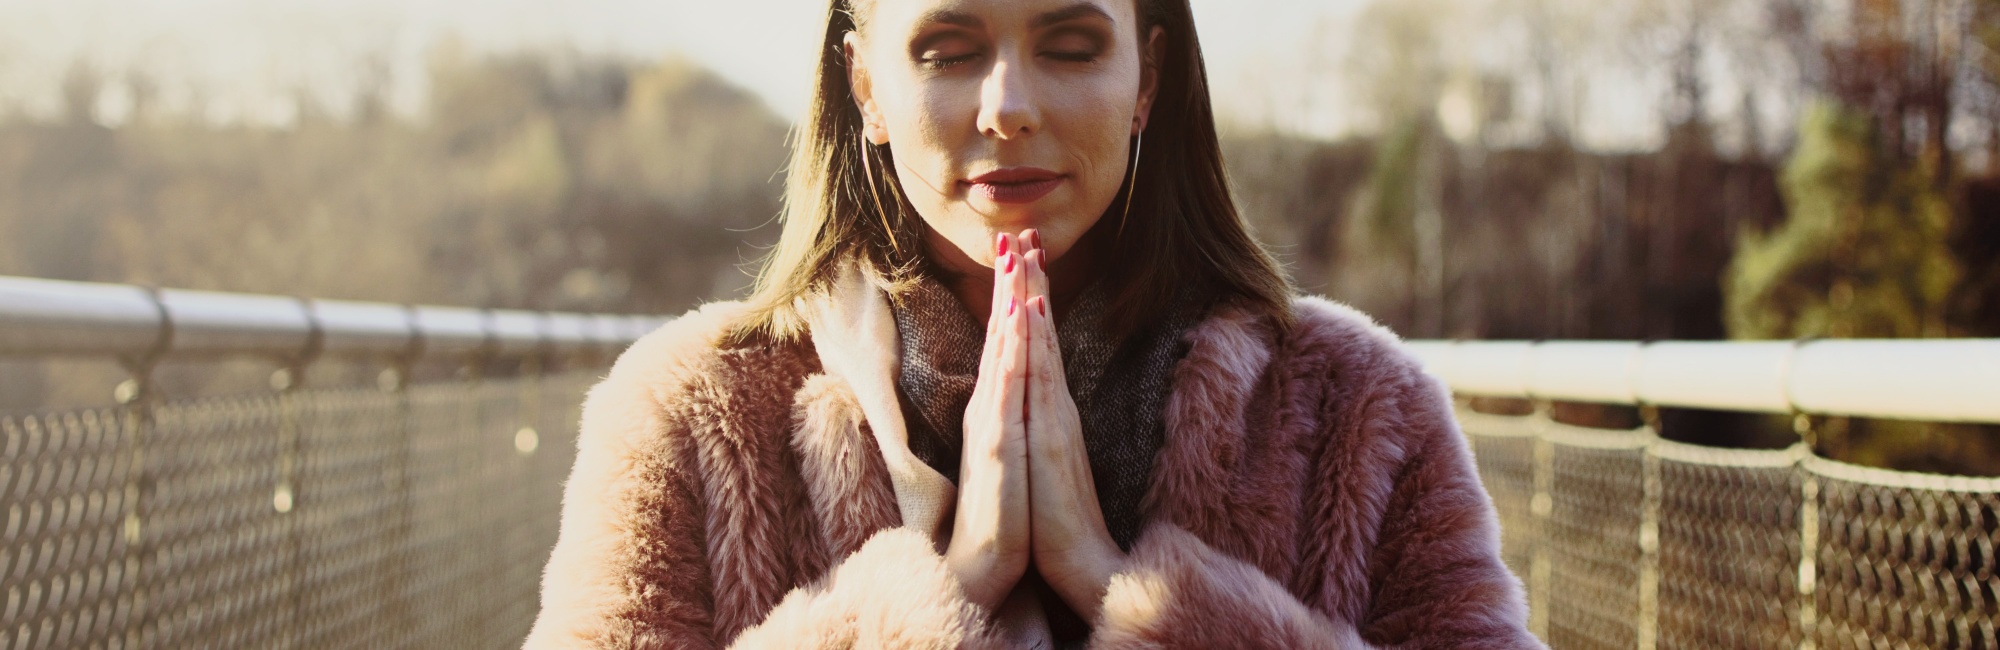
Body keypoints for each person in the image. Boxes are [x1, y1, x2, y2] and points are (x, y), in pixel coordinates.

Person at [524, 0, 1541, 647]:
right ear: (865, 83)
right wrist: (947, 592)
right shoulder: (689, 411)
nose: (1007, 105)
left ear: (1145, 78)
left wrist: (1123, 591)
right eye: (948, 46)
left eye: (1067, 43)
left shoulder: (1357, 405)